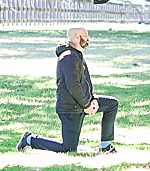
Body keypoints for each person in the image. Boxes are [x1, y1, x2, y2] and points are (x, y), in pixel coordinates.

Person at [16, 26, 119, 154]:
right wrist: (86, 105)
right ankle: (29, 139)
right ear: (77, 37)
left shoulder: (77, 54)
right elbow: (73, 86)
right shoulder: (68, 57)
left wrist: (94, 99)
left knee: (112, 104)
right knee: (68, 149)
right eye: (86, 35)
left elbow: (85, 81)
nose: (88, 38)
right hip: (70, 108)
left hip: (82, 103)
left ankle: (105, 146)